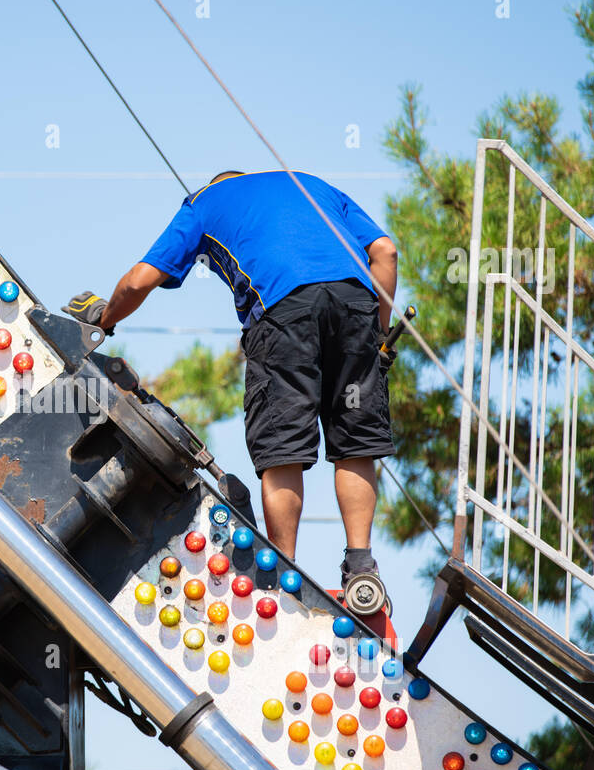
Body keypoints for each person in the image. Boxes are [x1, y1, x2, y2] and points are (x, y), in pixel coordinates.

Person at [64, 170, 398, 589]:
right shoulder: (311, 184)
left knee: (282, 449)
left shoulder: (206, 201)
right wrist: (378, 338)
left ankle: (283, 572)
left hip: (283, 311)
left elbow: (138, 280)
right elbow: (385, 252)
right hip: (356, 305)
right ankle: (361, 567)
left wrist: (104, 318)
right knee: (355, 443)